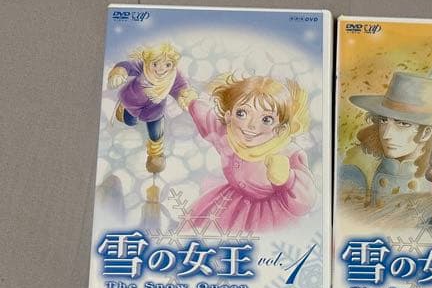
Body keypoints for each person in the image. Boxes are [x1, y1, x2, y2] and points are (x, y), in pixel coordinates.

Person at [183, 74, 316, 232]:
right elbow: (207, 119)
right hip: (229, 206)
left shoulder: (288, 153)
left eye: (266, 119)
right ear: (229, 116)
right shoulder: (227, 137)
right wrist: (192, 102)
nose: (251, 125)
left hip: (270, 215)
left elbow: (306, 200)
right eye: (242, 113)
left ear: (281, 128)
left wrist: (288, 179)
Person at [345, 72, 432, 206]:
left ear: (425, 134)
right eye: (383, 120)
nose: (386, 134)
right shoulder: (358, 171)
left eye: (403, 124)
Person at [107, 42, 194, 174]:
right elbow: (127, 66)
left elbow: (182, 88)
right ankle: (122, 110)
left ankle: (156, 154)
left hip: (154, 110)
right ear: (149, 62)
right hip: (132, 102)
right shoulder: (143, 66)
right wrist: (119, 72)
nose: (161, 69)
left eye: (167, 65)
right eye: (155, 64)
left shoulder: (173, 76)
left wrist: (185, 97)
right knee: (130, 122)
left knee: (156, 131)